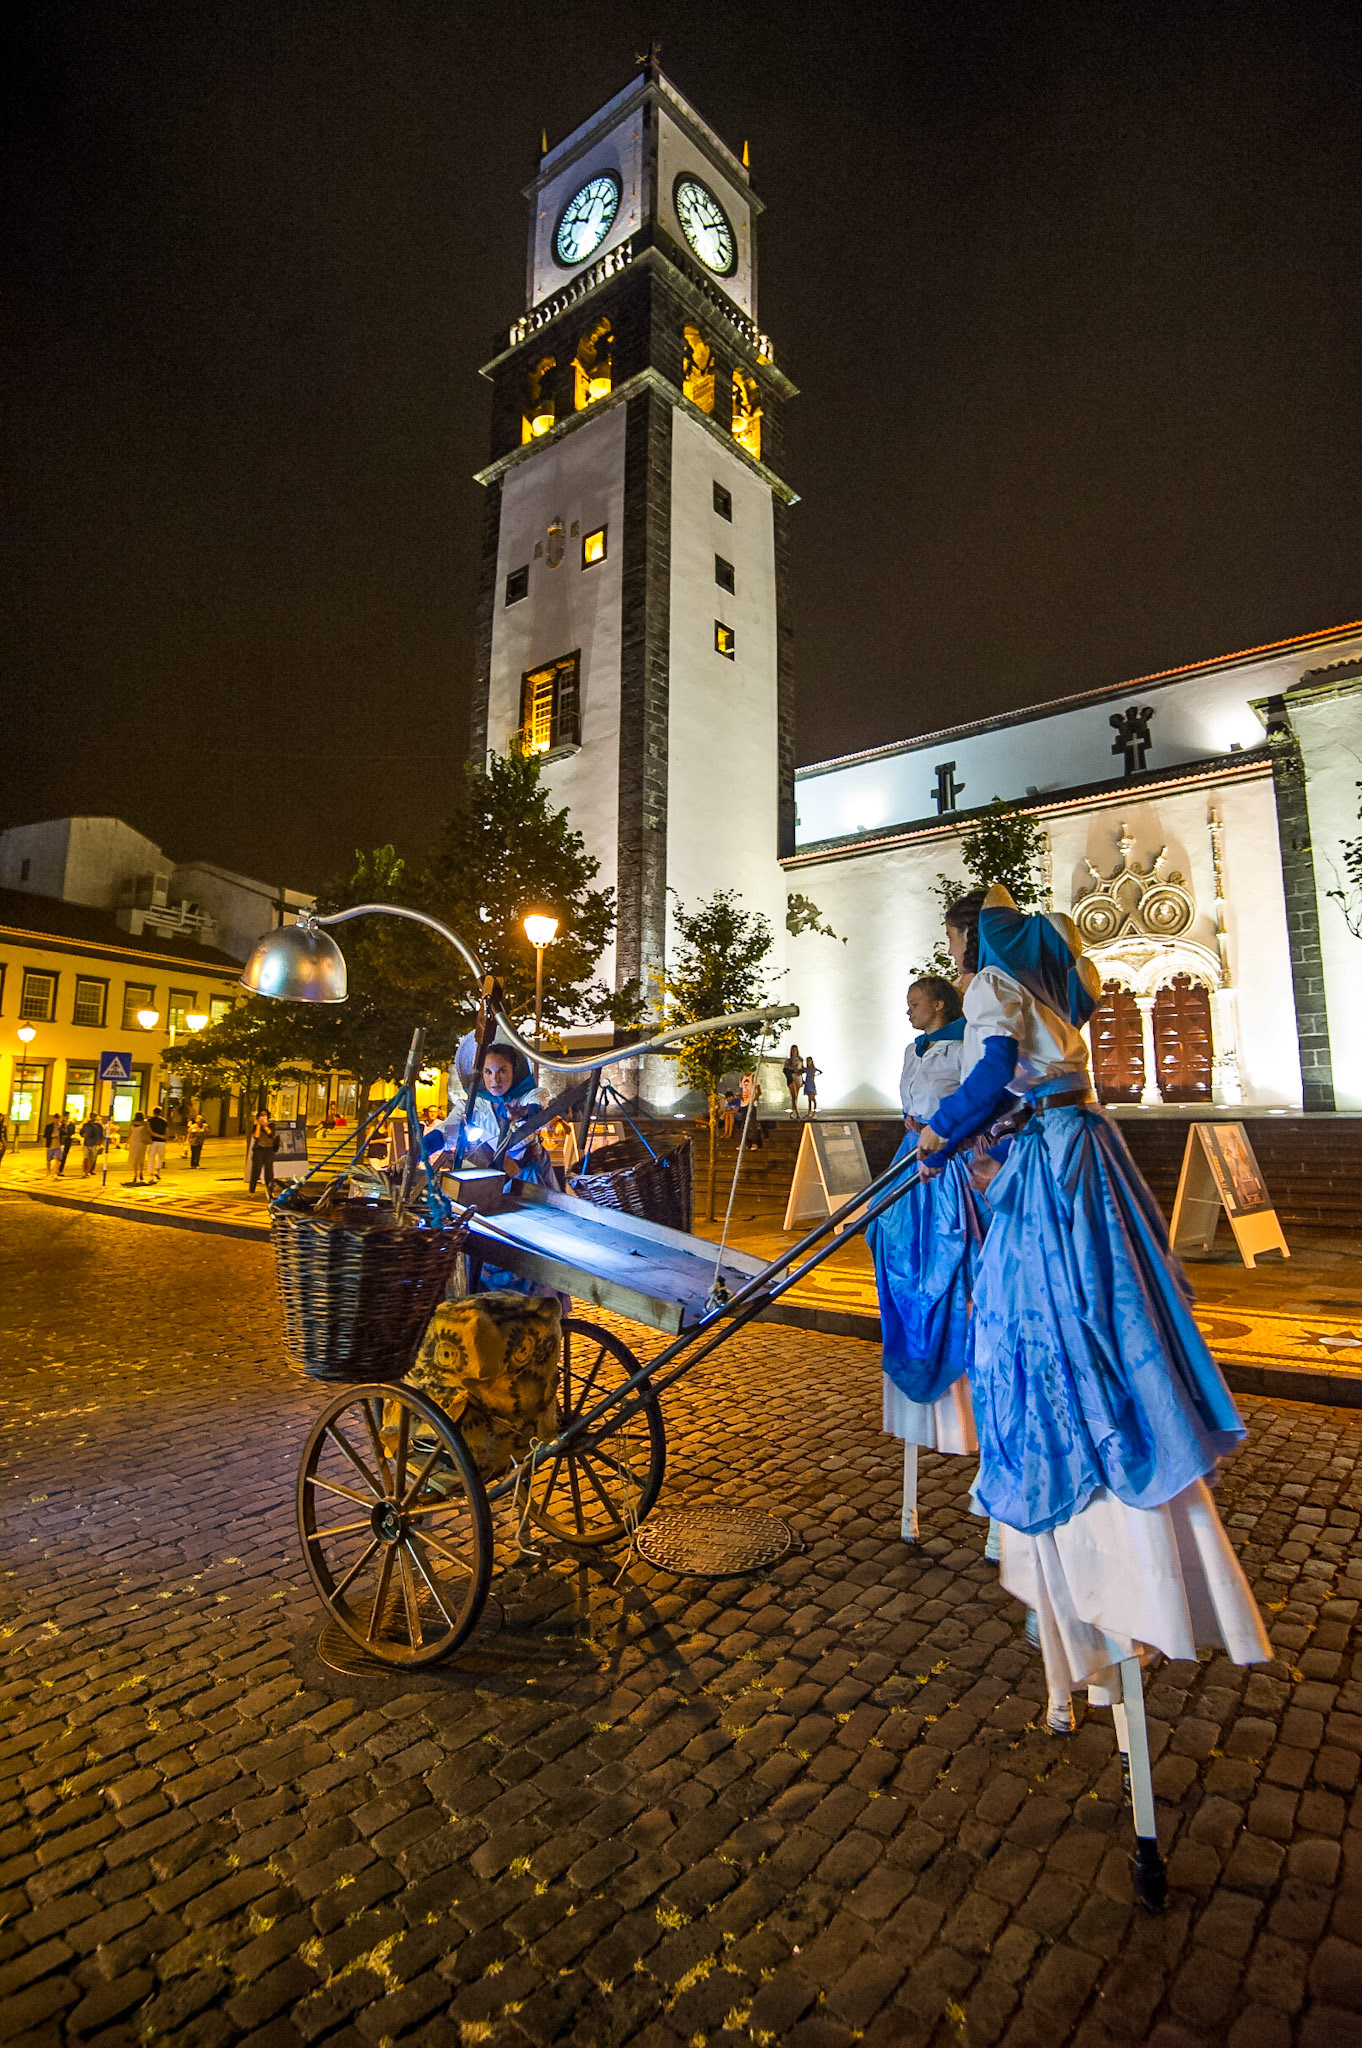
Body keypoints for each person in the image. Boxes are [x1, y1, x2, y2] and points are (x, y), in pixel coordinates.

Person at [916, 887, 1269, 1740]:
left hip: (1054, 1160)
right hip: (1081, 1140)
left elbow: (995, 1072)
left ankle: (1069, 1433)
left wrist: (947, 1130)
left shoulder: (988, 989)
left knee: (1038, 1304)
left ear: (970, 938)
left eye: (953, 934)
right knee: (1112, 1292)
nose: (952, 949)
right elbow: (1030, 1083)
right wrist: (985, 1127)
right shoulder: (1043, 994)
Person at [868, 975, 986, 1542]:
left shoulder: (967, 1044)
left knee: (955, 1266)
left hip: (948, 1164)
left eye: (915, 1001)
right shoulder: (911, 1049)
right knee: (895, 1254)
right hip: (907, 1159)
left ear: (940, 1003)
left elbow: (974, 1104)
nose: (908, 1009)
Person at [248, 1111, 280, 1194]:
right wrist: (259, 1125)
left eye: (265, 1115)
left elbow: (271, 1134)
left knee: (269, 1172)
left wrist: (265, 1126)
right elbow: (256, 1136)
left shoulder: (271, 1125)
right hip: (259, 1150)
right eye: (261, 1116)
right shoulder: (256, 1126)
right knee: (256, 1171)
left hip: (269, 1150)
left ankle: (270, 1191)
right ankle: (252, 1190)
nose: (263, 1117)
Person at [739, 1070, 763, 1148]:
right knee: (744, 1123)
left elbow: (759, 1091)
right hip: (744, 1103)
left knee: (753, 1123)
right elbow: (742, 1089)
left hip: (751, 1103)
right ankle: (744, 1143)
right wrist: (741, 1097)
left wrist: (754, 1099)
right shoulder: (742, 1078)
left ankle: (754, 1143)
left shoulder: (753, 1077)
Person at [145, 1105, 169, 1182]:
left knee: (151, 1158)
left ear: (153, 1112)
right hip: (161, 1142)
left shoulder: (150, 1121)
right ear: (160, 1112)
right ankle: (158, 1171)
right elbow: (167, 1131)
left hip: (152, 1142)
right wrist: (164, 1137)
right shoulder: (164, 1121)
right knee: (160, 1157)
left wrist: (158, 1136)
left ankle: (151, 1175)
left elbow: (149, 1131)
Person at [125, 1112, 150, 1185]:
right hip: (142, 1142)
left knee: (134, 1159)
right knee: (141, 1158)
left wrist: (127, 1141)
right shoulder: (145, 1124)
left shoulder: (132, 1124)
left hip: (133, 1142)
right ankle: (141, 1172)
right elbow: (148, 1132)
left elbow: (129, 1133)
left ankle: (135, 1174)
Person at [80, 1111, 105, 1176]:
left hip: (94, 1143)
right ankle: (85, 1170)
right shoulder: (86, 1125)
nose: (93, 1117)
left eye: (94, 1116)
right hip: (87, 1143)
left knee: (92, 1158)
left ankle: (89, 1170)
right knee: (86, 1157)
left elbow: (101, 1134)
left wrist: (100, 1141)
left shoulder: (98, 1126)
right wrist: (83, 1135)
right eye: (92, 1116)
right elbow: (81, 1132)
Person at [782, 1044, 802, 1117]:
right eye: (793, 1050)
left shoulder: (800, 1059)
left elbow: (802, 1067)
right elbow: (785, 1070)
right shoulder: (788, 1061)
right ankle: (797, 1113)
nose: (794, 1051)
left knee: (796, 1097)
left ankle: (792, 1112)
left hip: (798, 1078)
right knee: (794, 1096)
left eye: (795, 1050)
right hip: (791, 1078)